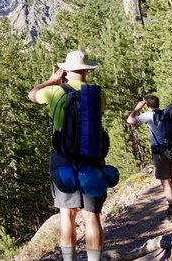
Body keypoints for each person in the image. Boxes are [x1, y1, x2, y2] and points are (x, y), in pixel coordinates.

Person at [28, 50, 105, 261]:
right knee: (92, 216)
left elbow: (31, 95)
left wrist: (50, 81)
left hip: (63, 158)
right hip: (92, 158)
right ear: (86, 70)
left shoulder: (55, 92)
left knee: (67, 214)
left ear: (66, 70)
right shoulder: (97, 94)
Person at [127, 95, 172, 221]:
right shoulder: (165, 114)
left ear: (147, 104)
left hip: (160, 152)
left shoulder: (149, 115)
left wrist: (137, 108)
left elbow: (130, 120)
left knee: (165, 180)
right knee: (170, 178)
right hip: (171, 150)